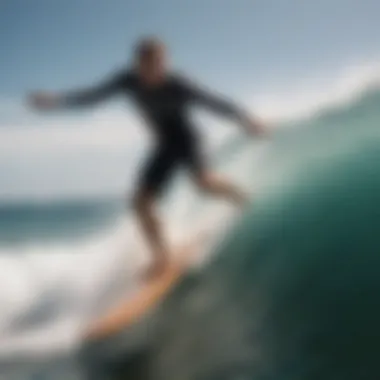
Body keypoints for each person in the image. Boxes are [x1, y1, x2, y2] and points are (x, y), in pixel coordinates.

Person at [28, 37, 268, 279]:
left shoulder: (179, 84)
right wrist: (57, 100)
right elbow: (93, 96)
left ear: (165, 62)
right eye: (148, 66)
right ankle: (162, 257)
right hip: (164, 145)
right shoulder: (127, 81)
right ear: (137, 64)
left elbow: (215, 103)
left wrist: (246, 119)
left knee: (204, 183)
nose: (155, 71)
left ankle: (242, 200)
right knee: (140, 203)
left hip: (187, 139)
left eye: (160, 65)